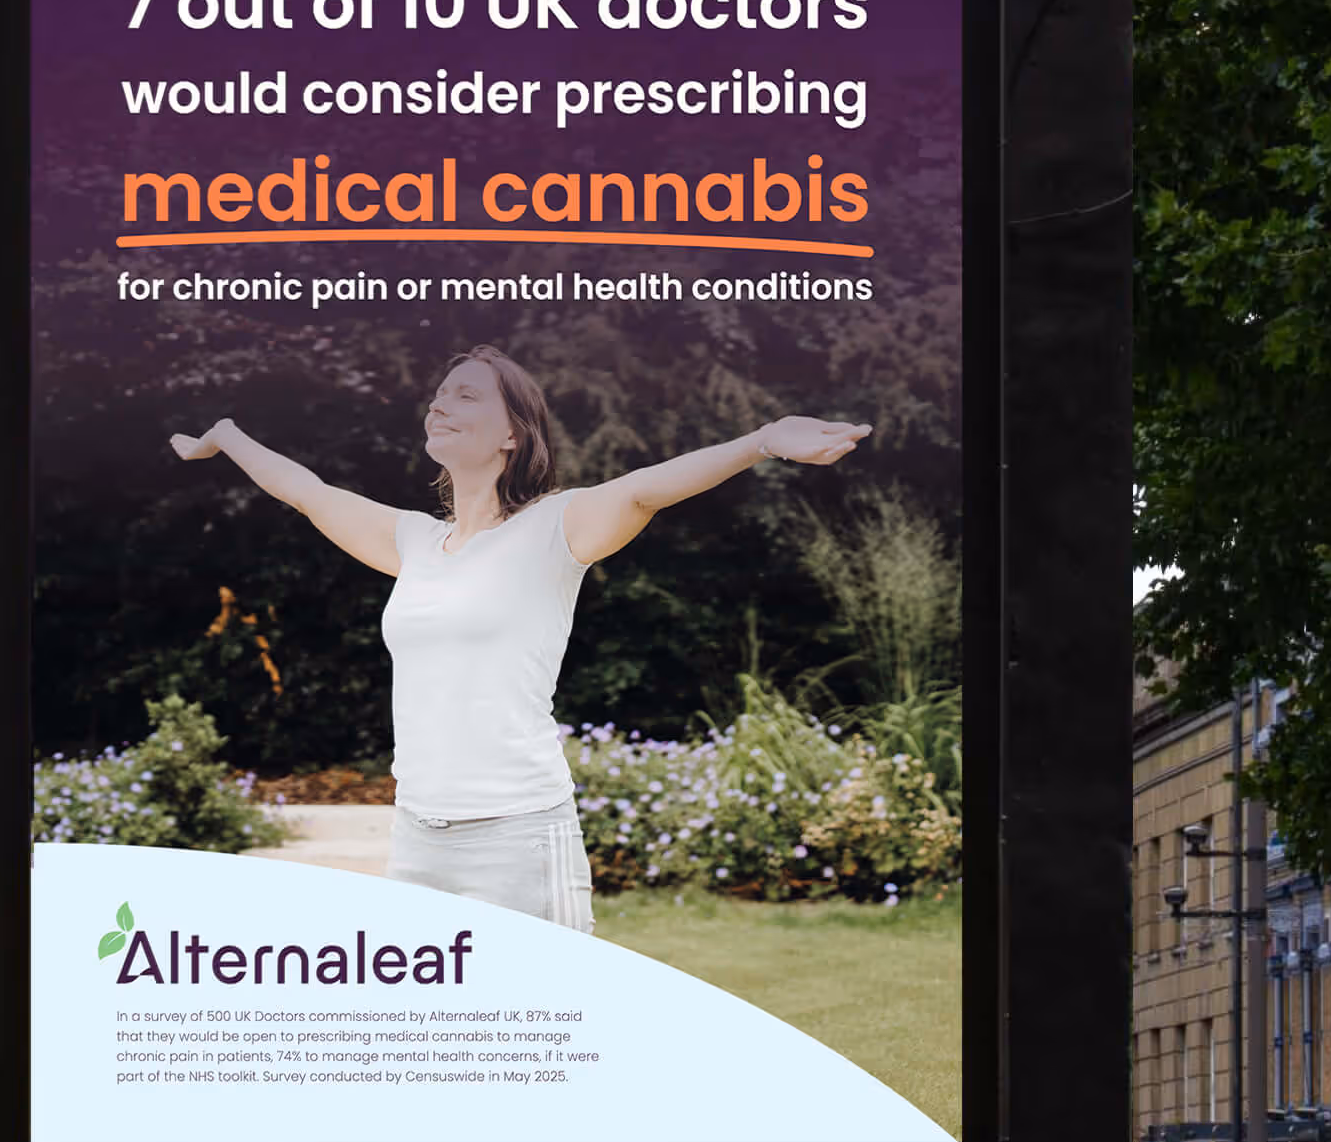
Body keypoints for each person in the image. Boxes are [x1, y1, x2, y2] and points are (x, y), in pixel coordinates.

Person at [169, 344, 867, 932]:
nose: (440, 403)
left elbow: (644, 490)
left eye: (466, 395)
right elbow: (307, 490)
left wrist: (764, 440)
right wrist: (227, 434)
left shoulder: (554, 527)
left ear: (512, 433)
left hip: (519, 838)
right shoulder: (415, 540)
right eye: (439, 394)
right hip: (417, 837)